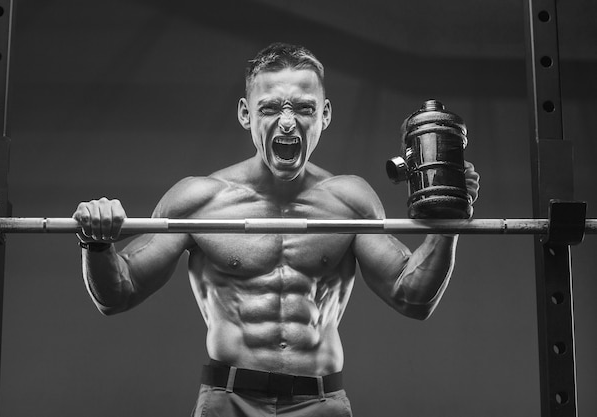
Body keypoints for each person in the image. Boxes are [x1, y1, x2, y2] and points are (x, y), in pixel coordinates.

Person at [73, 42, 480, 416]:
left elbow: (413, 298)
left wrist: (448, 224)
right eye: (270, 108)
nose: (287, 122)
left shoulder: (349, 202)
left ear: (324, 114)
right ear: (246, 113)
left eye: (303, 108)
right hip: (228, 401)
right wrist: (97, 244)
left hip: (321, 402)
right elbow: (119, 293)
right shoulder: (200, 202)